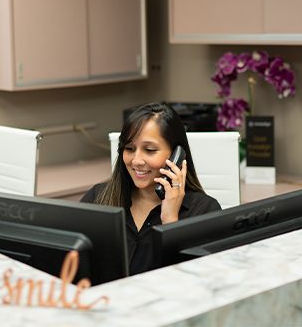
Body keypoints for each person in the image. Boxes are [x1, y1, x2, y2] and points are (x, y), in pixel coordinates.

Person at [81, 102, 221, 275]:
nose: (136, 160)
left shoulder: (203, 211)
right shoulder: (98, 198)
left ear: (176, 154)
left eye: (149, 150)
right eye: (129, 148)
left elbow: (191, 283)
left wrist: (170, 220)